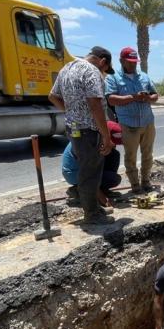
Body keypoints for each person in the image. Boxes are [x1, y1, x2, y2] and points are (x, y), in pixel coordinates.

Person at [49, 46, 115, 224]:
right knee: (90, 173)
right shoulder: (91, 71)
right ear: (102, 61)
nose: (104, 73)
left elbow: (53, 96)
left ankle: (93, 209)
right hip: (89, 131)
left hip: (74, 128)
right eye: (105, 69)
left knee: (87, 170)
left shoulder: (66, 68)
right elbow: (95, 104)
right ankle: (92, 215)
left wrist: (71, 112)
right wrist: (106, 136)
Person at [106, 47, 159, 194]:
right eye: (130, 62)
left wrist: (148, 97)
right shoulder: (113, 78)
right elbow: (111, 99)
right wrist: (133, 97)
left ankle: (146, 181)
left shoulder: (144, 76)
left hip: (147, 122)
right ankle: (135, 185)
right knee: (131, 156)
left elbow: (155, 95)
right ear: (122, 61)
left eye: (135, 62)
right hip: (129, 125)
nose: (133, 65)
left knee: (148, 154)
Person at [63, 120, 123, 207]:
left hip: (81, 170)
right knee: (113, 179)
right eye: (112, 143)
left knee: (113, 155)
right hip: (74, 174)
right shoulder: (91, 143)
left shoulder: (96, 138)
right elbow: (89, 174)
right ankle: (80, 191)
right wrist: (104, 200)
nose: (114, 145)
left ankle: (99, 190)